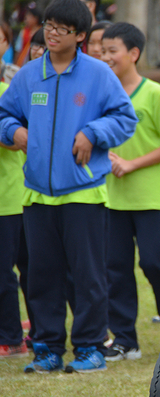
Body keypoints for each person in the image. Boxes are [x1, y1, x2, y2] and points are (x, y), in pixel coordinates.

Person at [0, 0, 137, 373]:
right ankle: (46, 348)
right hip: (36, 194)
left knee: (88, 275)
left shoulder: (98, 74)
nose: (52, 32)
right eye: (48, 25)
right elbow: (4, 114)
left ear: (80, 35)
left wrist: (93, 133)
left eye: (62, 28)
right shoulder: (28, 75)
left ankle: (90, 347)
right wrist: (15, 131)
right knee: (41, 275)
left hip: (84, 192)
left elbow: (125, 118)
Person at [101, 22, 160, 361]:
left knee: (154, 263)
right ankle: (125, 340)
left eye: (112, 51)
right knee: (115, 267)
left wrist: (133, 164)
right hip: (112, 198)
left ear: (133, 54)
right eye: (101, 51)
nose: (105, 57)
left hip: (152, 196)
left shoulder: (154, 93)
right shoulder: (100, 93)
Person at [0, 29, 27, 359]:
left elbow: (16, 139)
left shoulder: (9, 93)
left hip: (8, 199)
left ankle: (12, 337)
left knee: (8, 273)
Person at [14, 2, 42, 66]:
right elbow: (18, 49)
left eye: (29, 17)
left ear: (36, 18)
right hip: (23, 62)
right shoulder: (24, 31)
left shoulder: (42, 32)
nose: (26, 19)